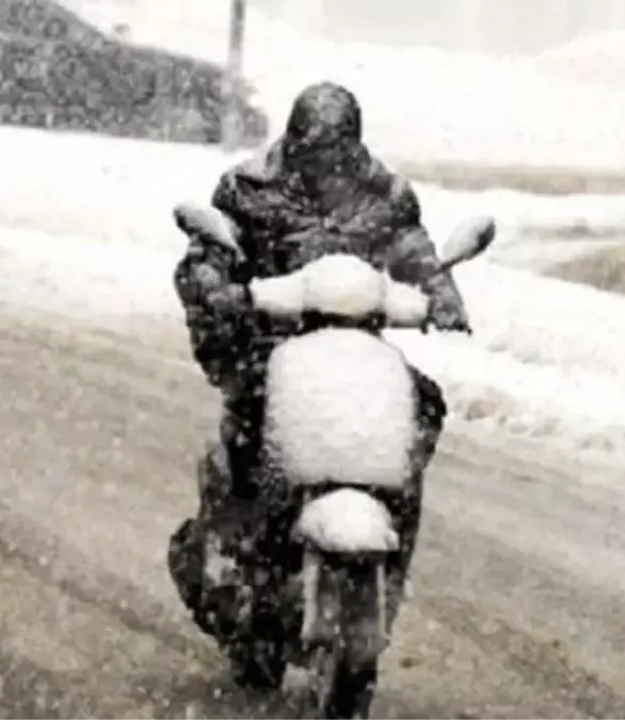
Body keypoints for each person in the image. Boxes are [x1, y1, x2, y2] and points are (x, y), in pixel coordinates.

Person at [167, 81, 472, 650]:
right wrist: (217, 283)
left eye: (338, 148)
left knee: (422, 402)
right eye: (315, 147)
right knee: (251, 420)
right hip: (273, 343)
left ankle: (391, 521)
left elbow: (410, 246)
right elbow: (212, 249)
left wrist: (440, 287)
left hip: (356, 345)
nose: (326, 159)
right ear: (294, 138)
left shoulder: (382, 194)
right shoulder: (249, 188)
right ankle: (232, 546)